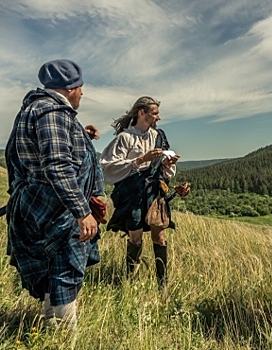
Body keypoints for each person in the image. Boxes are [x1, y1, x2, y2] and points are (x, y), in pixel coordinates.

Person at [5, 59, 104, 330]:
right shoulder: (53, 113)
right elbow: (57, 166)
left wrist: (80, 134)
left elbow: (29, 151)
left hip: (41, 205)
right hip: (55, 210)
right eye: (80, 86)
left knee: (54, 269)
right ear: (70, 87)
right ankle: (60, 335)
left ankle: (52, 327)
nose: (82, 92)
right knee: (64, 269)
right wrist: (82, 211)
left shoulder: (39, 110)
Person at [100, 96, 180, 287]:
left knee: (159, 235)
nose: (158, 117)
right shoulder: (124, 138)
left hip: (154, 191)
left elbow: (162, 168)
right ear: (141, 113)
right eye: (154, 113)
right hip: (132, 193)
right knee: (135, 237)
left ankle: (163, 285)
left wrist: (167, 164)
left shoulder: (158, 136)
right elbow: (107, 167)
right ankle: (131, 283)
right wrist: (140, 160)